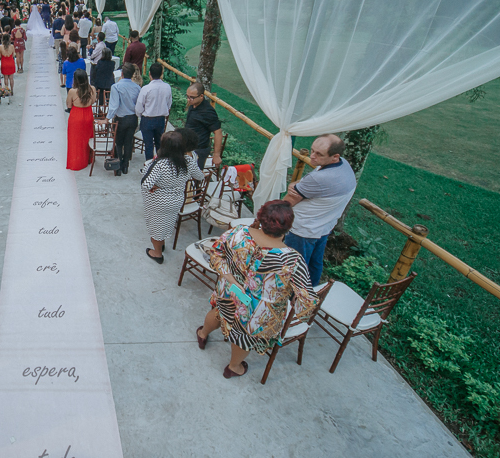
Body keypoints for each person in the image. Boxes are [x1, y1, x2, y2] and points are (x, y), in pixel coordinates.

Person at [196, 200, 319, 379]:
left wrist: (231, 279)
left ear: (261, 217)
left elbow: (215, 254)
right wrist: (297, 308)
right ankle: (233, 367)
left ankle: (202, 334)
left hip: (229, 292)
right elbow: (307, 300)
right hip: (257, 310)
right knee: (243, 336)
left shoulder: (239, 232)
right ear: (288, 227)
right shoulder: (292, 260)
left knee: (219, 312)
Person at [283, 134, 357, 286]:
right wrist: (297, 186)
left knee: (293, 269)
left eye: (319, 154)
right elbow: (308, 182)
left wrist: (270, 215)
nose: (312, 156)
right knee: (313, 265)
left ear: (334, 157)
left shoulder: (320, 179)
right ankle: (312, 292)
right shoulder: (344, 165)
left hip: (302, 229)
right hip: (323, 226)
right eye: (312, 150)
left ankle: (291, 297)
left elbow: (287, 203)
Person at [141, 130, 207, 263]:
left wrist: (157, 186)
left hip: (158, 201)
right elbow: (200, 176)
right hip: (176, 200)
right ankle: (161, 244)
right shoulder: (188, 161)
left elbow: (146, 184)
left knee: (156, 228)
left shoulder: (160, 164)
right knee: (166, 223)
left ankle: (157, 254)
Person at [107, 64, 141, 177]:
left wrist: (108, 118)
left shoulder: (116, 87)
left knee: (118, 142)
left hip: (121, 118)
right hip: (133, 118)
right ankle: (125, 165)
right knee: (128, 142)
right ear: (132, 74)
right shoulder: (137, 88)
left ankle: (118, 165)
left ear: (122, 74)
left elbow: (114, 105)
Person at [135, 63, 173, 160]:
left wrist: (141, 115)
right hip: (160, 119)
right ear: (161, 74)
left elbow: (139, 106)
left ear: (149, 73)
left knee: (148, 145)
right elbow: (169, 104)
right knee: (159, 144)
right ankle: (160, 164)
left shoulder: (146, 89)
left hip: (147, 119)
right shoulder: (167, 87)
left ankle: (150, 165)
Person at [184, 82, 223, 168]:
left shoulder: (207, 112)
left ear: (201, 96)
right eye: (187, 96)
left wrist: (216, 155)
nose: (189, 100)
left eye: (192, 97)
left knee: (195, 173)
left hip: (199, 150)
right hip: (189, 148)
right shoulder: (193, 105)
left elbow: (218, 132)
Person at [65, 70, 96, 172]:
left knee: (75, 140)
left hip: (76, 116)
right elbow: (93, 101)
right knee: (87, 137)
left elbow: (69, 105)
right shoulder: (92, 89)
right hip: (88, 115)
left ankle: (77, 161)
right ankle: (88, 159)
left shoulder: (72, 91)